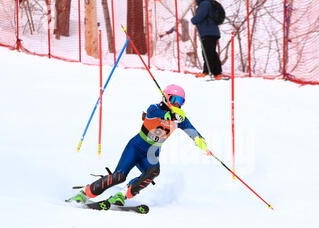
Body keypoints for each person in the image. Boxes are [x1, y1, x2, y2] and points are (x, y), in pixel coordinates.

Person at [68, 84, 210, 206]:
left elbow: (192, 131)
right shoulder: (154, 108)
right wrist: (170, 116)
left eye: (180, 101)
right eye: (173, 99)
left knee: (153, 171)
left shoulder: (180, 118)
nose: (176, 104)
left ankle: (122, 195)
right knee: (119, 176)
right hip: (136, 147)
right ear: (165, 97)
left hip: (151, 152)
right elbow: (154, 113)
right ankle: (84, 193)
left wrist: (200, 141)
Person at [191, 0, 226, 80]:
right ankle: (211, 72)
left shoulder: (205, 4)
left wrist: (193, 20)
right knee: (209, 52)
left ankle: (214, 72)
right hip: (209, 32)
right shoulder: (206, 3)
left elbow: (199, 17)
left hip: (208, 32)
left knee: (208, 53)